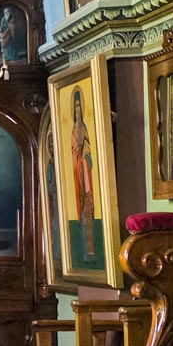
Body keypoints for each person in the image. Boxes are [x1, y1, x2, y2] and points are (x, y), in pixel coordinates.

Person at [69, 91, 98, 262]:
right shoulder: (74, 130)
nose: (78, 109)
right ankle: (84, 253)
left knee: (89, 209)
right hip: (78, 174)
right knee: (81, 209)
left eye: (80, 106)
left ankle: (91, 253)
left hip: (86, 173)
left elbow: (88, 148)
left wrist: (86, 154)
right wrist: (78, 154)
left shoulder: (84, 128)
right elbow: (73, 152)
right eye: (76, 106)